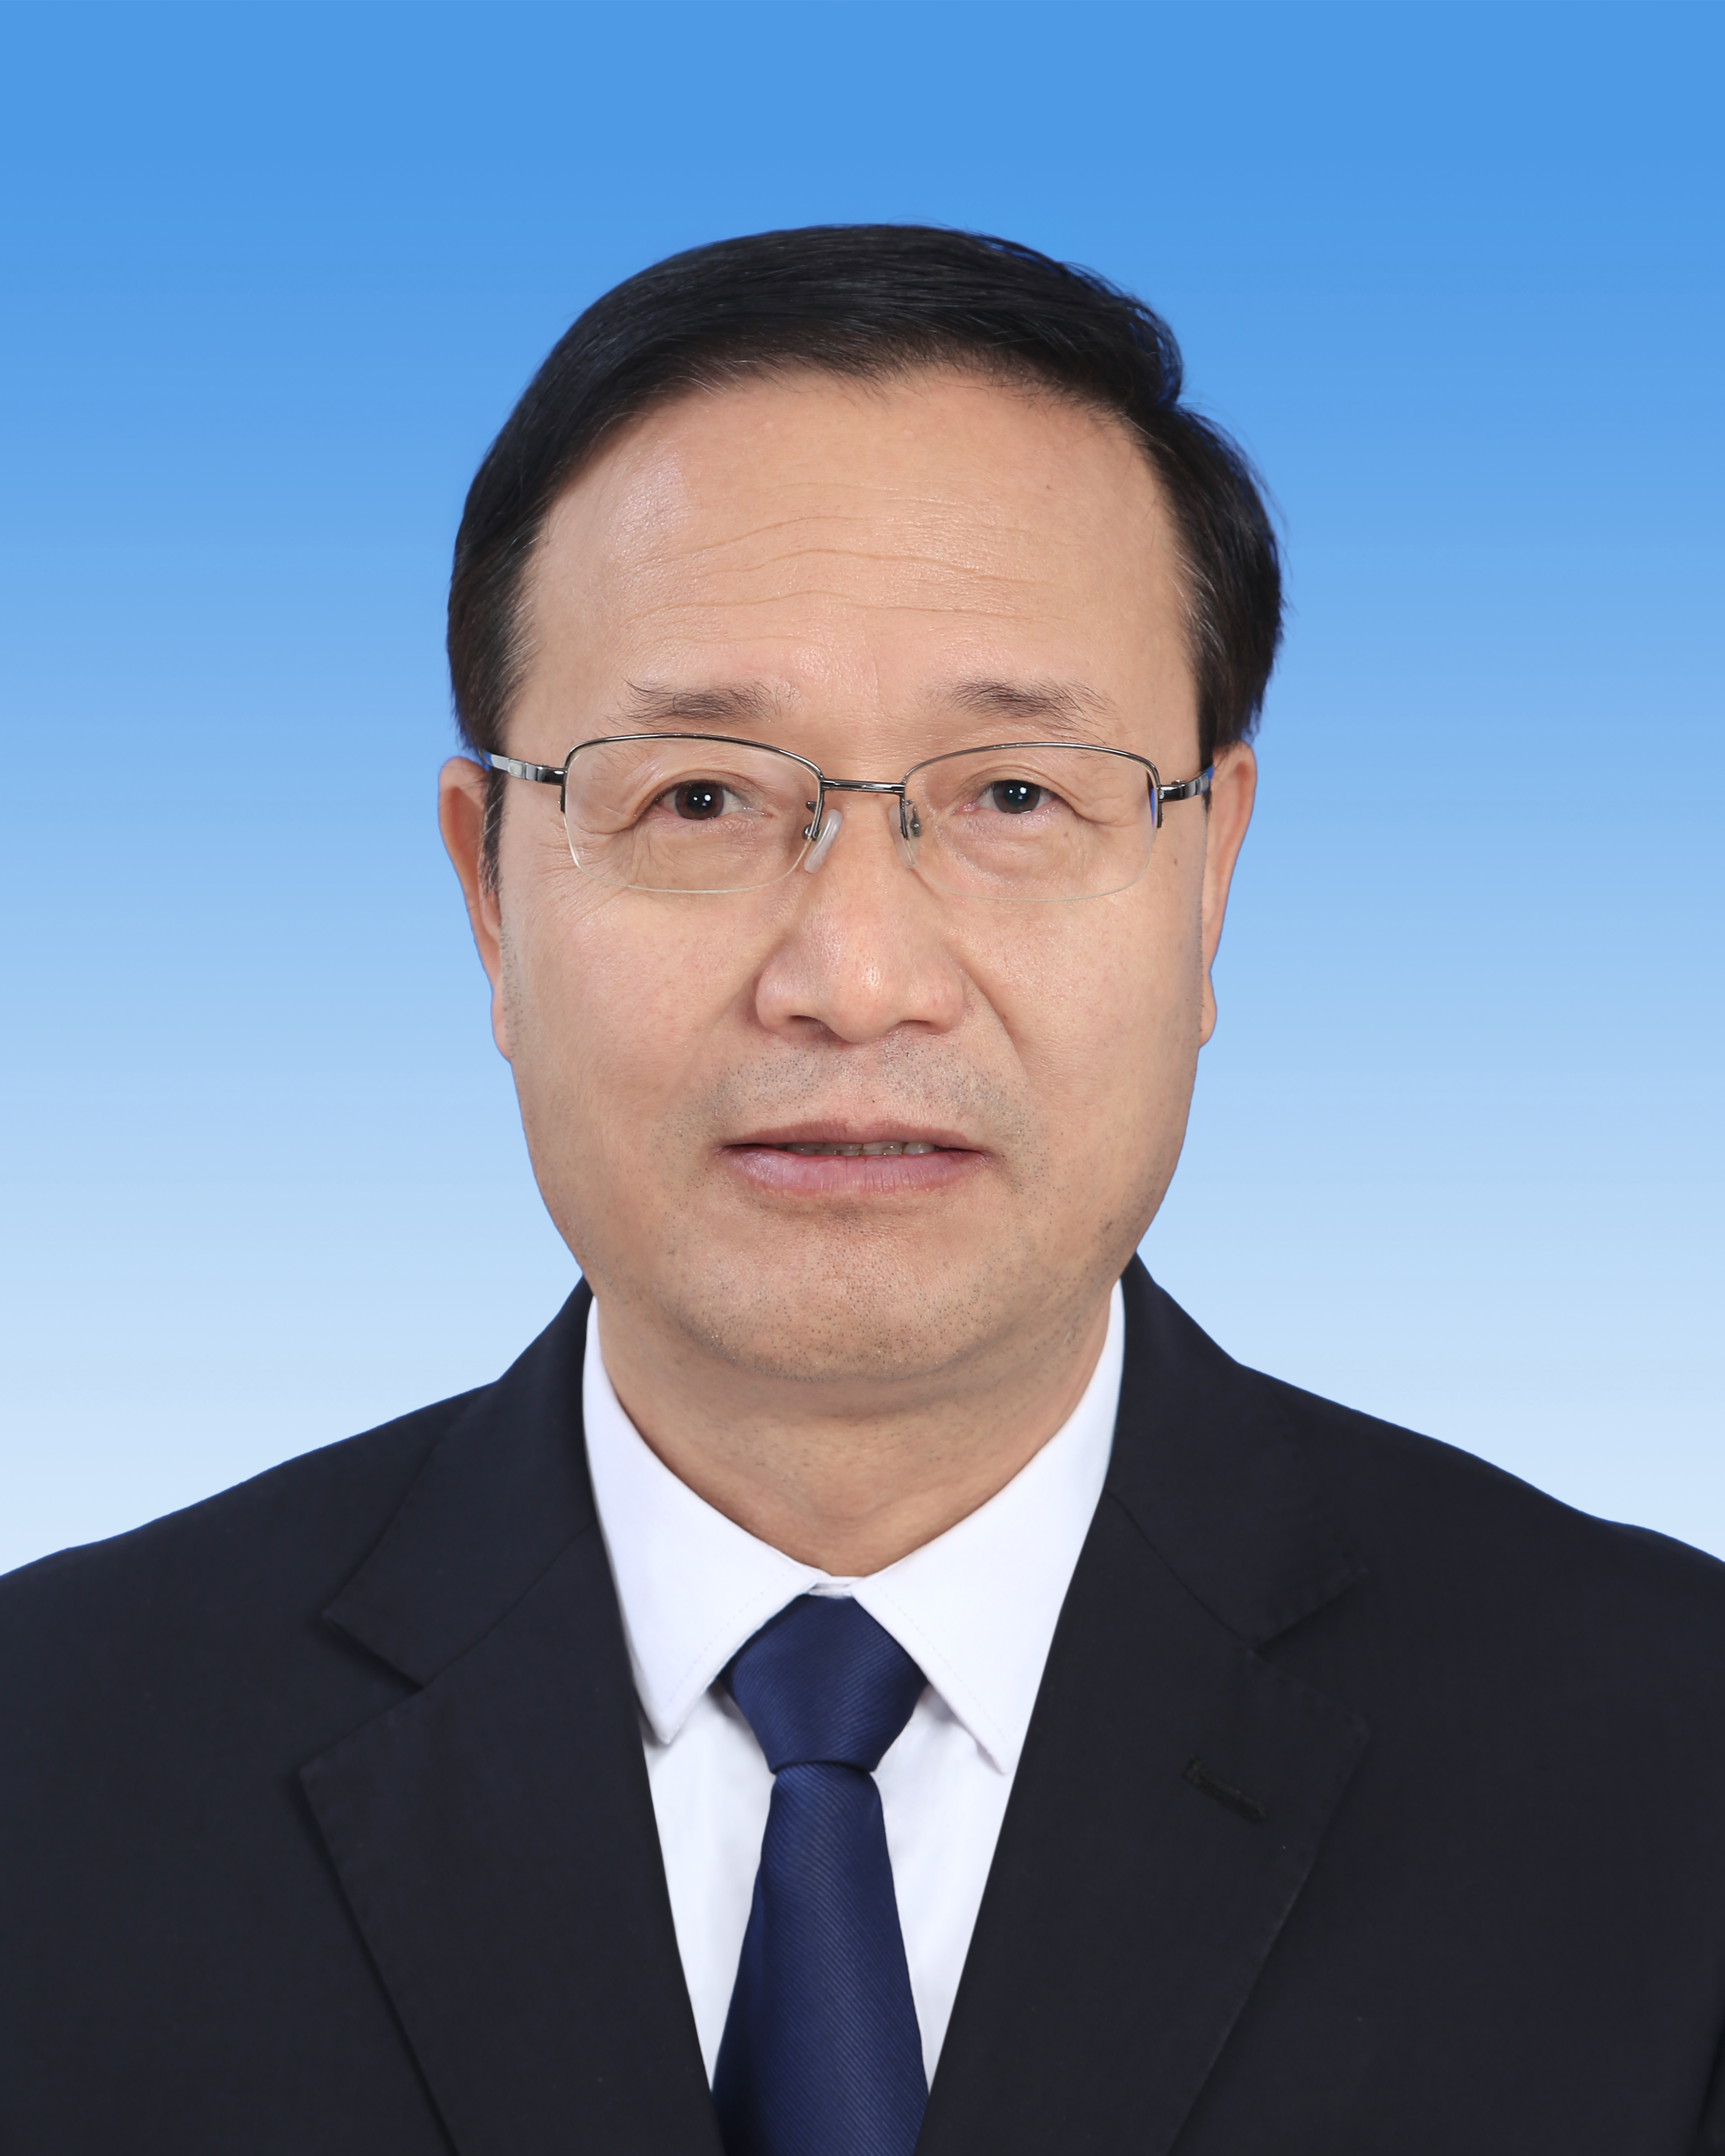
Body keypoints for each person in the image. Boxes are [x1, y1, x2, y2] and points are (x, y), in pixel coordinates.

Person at [2, 226, 1722, 2156]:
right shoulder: (49, 1756)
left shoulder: (1671, 1760)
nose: (856, 975)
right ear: (489, 890)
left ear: (1210, 871)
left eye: (1015, 795)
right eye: (701, 797)